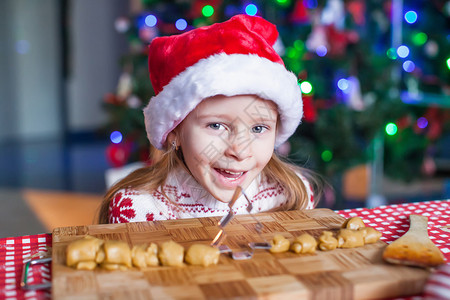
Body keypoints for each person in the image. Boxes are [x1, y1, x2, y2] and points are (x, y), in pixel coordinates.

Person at [98, 14, 319, 224]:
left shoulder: (291, 195)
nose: (239, 151)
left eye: (259, 128)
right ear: (174, 131)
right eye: (216, 125)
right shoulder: (137, 209)